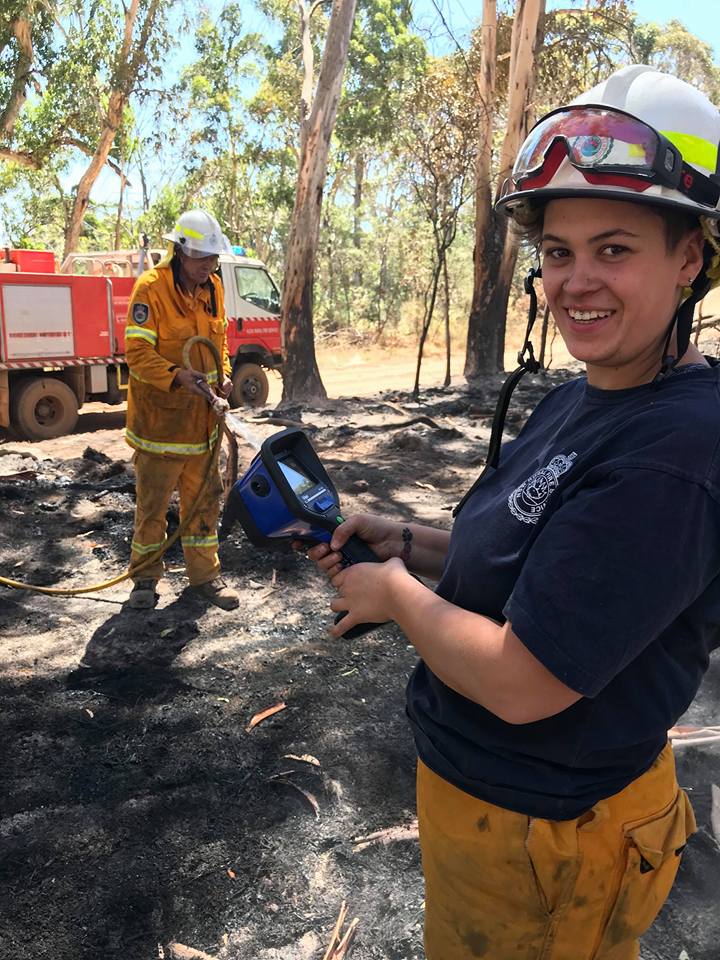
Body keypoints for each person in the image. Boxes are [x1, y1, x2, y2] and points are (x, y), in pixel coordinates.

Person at [307, 65, 720, 958]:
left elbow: (524, 681)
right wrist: (411, 543)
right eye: (559, 251)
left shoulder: (676, 454)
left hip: (553, 837)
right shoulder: (593, 392)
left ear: (691, 258)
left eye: (615, 249)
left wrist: (393, 596)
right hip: (500, 824)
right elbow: (546, 558)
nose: (576, 281)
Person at [125, 209, 240, 611]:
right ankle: (144, 582)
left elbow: (220, 343)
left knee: (205, 505)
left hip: (203, 426)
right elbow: (137, 353)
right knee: (153, 508)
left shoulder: (214, 289)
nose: (209, 265)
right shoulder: (150, 289)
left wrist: (223, 374)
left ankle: (205, 578)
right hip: (159, 426)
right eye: (203, 258)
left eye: (214, 259)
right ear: (181, 251)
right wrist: (176, 376)